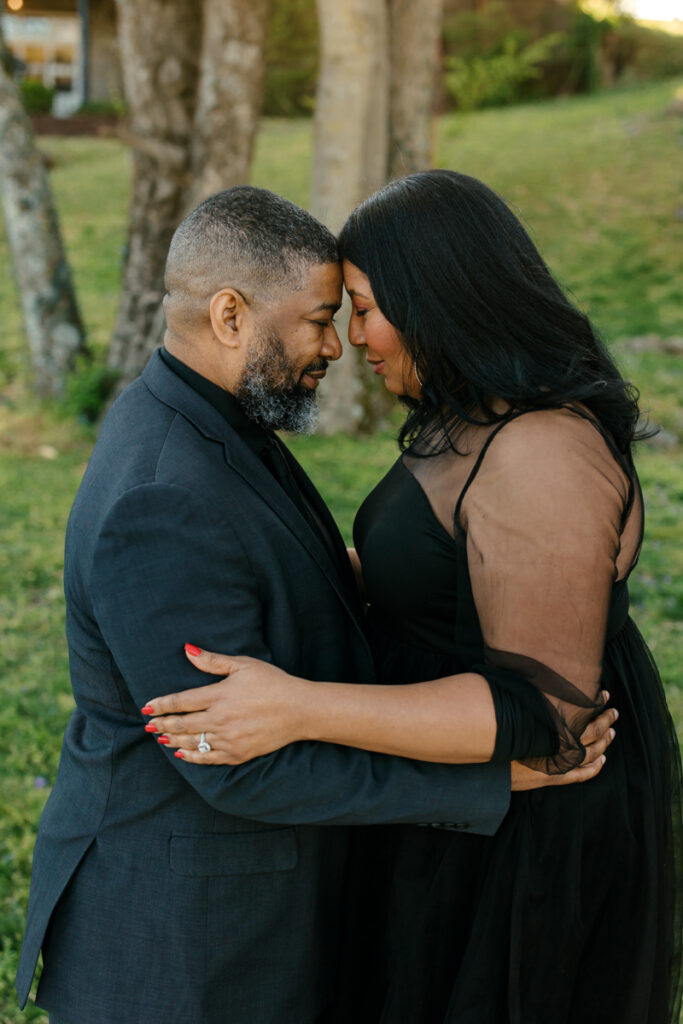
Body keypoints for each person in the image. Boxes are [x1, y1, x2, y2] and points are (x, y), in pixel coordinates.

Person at [16, 186, 611, 1024]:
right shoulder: (163, 495)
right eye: (318, 318)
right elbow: (239, 760)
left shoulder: (211, 423)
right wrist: (483, 781)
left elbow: (295, 582)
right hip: (189, 948)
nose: (335, 345)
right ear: (230, 315)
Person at [144, 171, 682, 1024]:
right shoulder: (465, 414)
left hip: (524, 840)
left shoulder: (542, 450)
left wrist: (299, 708)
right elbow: (434, 574)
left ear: (438, 297)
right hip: (446, 799)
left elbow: (544, 721)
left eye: (362, 307)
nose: (354, 336)